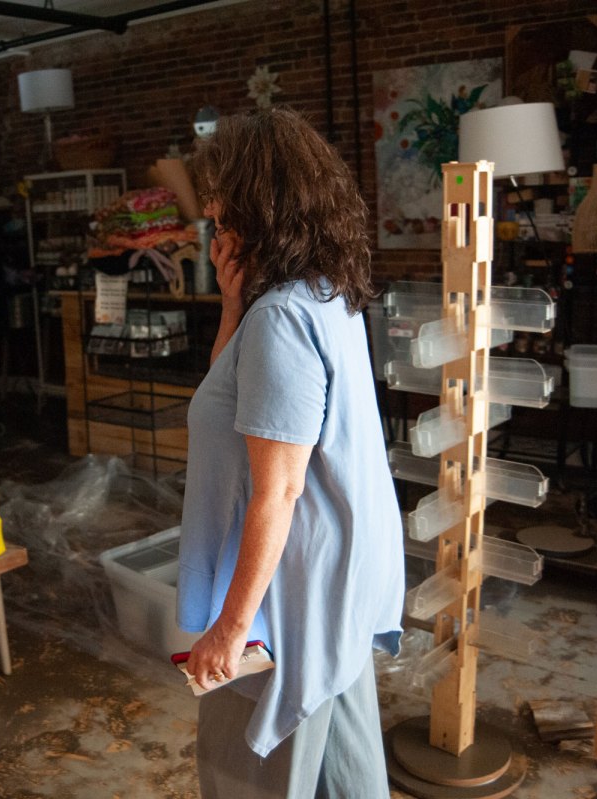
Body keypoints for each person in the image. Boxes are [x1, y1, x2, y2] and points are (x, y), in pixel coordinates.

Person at [176, 107, 405, 798]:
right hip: (341, 574)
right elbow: (231, 390)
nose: (211, 207)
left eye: (221, 191)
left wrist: (230, 626)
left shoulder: (281, 320)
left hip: (288, 594)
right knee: (345, 767)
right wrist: (230, 303)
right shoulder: (320, 293)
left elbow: (279, 489)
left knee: (253, 771)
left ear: (259, 198)